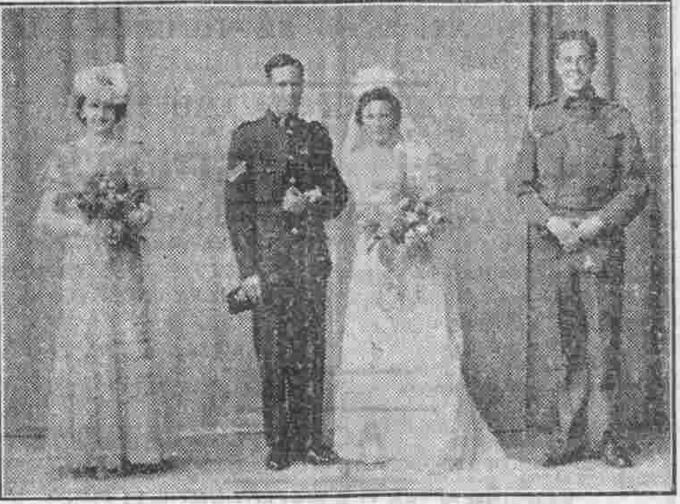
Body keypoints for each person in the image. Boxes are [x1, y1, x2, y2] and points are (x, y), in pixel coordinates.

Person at [333, 79, 506, 472]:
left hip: (411, 255)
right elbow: (355, 209)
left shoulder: (412, 153)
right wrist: (378, 233)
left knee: (415, 337)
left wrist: (408, 233)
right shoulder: (352, 158)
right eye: (370, 116)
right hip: (371, 257)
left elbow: (426, 205)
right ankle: (376, 441)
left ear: (397, 118)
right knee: (373, 341)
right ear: (360, 120)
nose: (378, 122)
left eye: (385, 115)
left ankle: (428, 438)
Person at [508, 29, 648, 467]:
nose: (574, 68)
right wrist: (551, 221)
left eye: (582, 60)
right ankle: (568, 437)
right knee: (565, 343)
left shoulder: (617, 118)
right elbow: (521, 185)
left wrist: (596, 224)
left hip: (601, 241)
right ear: (556, 66)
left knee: (603, 341)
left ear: (594, 64)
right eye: (566, 60)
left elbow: (636, 184)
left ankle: (606, 438)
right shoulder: (539, 118)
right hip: (553, 245)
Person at [35, 63, 170, 478]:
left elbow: (147, 208)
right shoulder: (67, 155)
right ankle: (91, 451)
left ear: (120, 112)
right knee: (89, 344)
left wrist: (129, 219)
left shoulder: (132, 154)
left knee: (125, 339)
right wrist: (86, 225)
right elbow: (44, 217)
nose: (101, 115)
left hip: (123, 263)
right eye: (94, 106)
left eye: (110, 108)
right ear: (81, 109)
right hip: (84, 265)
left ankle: (135, 450)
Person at [224, 53, 349, 470]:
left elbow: (338, 196)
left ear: (303, 86)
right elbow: (237, 213)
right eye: (280, 84)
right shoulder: (247, 137)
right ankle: (279, 444)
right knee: (274, 355)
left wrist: (315, 198)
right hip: (269, 263)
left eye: (295, 84)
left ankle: (312, 441)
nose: (289, 92)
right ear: (267, 87)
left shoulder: (316, 135)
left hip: (310, 260)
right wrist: (248, 272)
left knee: (311, 352)